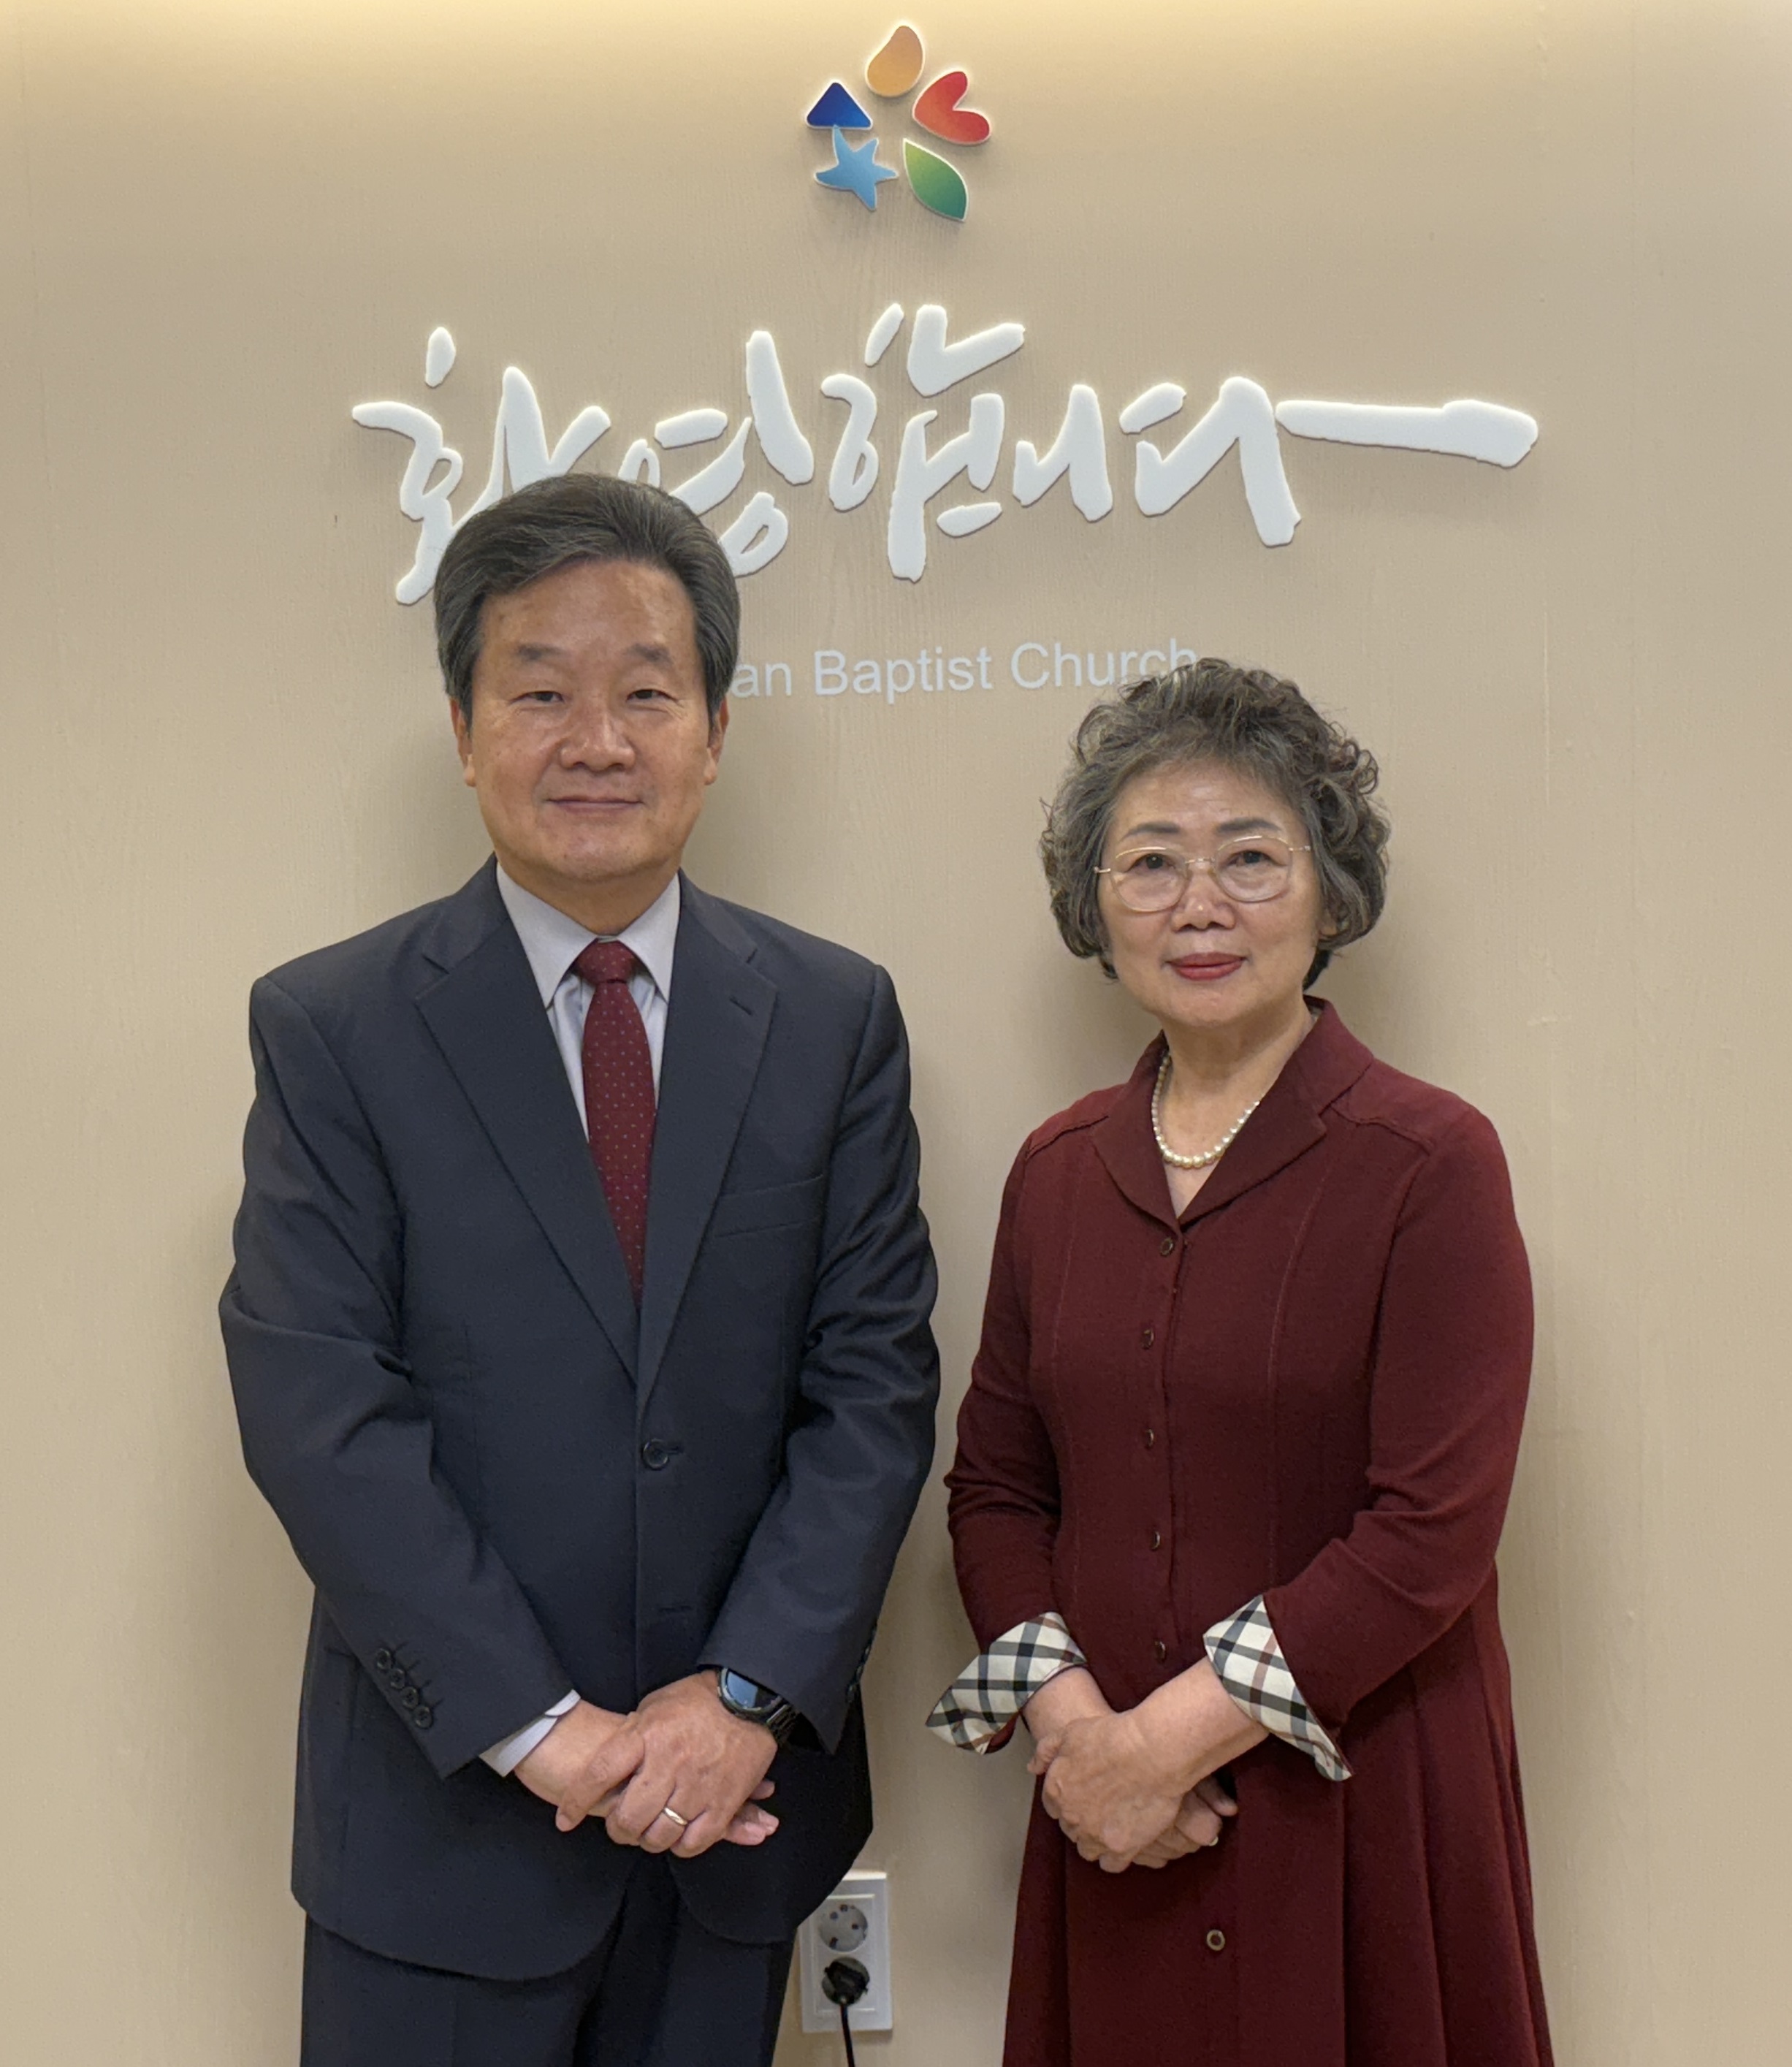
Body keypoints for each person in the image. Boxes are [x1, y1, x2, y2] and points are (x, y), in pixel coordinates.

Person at [221, 473, 939, 2067]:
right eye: (540, 691)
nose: (595, 741)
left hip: (730, 1824)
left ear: (716, 729)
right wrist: (543, 1731)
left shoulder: (831, 1020)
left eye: (645, 694)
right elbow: (319, 1410)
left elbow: (872, 1392)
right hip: (442, 1835)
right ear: (464, 726)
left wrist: (740, 1699)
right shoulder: (333, 1028)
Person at [930, 660, 1552, 2066]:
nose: (1197, 903)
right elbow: (996, 1494)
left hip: (1359, 1801)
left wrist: (1164, 1746)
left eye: (1250, 858)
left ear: (1330, 893)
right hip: (1116, 1823)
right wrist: (1080, 1743)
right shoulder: (1054, 1172)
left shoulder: (1429, 1161)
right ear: (1094, 905)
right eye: (1150, 862)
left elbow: (1429, 1532)